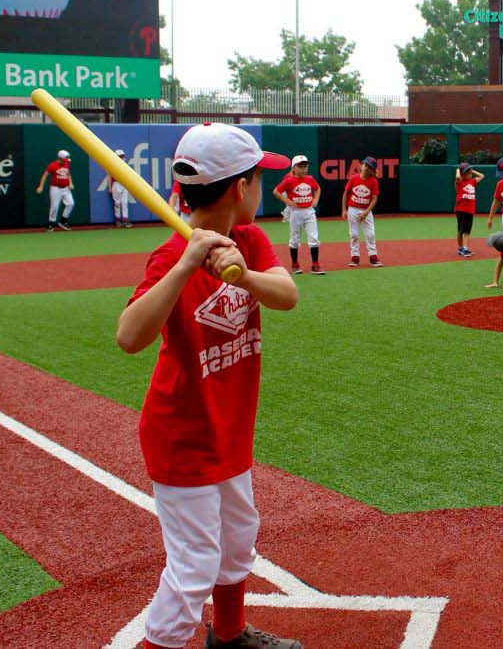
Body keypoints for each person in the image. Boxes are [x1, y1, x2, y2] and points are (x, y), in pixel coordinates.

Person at [115, 122, 301, 649]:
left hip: (230, 429)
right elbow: (129, 337)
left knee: (238, 540)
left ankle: (231, 633)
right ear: (240, 188)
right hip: (183, 437)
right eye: (258, 180)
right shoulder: (170, 256)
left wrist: (241, 275)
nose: (262, 189)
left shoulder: (248, 240)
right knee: (194, 565)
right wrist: (185, 265)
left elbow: (286, 296)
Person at [272, 155, 324, 275]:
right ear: (293, 168)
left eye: (305, 166)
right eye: (300, 166)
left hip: (309, 211)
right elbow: (276, 191)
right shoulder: (289, 180)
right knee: (295, 239)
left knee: (314, 238)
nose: (304, 169)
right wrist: (287, 201)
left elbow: (317, 188)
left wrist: (316, 199)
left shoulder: (310, 179)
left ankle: (315, 265)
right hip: (296, 213)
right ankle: (295, 264)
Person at [343, 157, 382, 267]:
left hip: (366, 210)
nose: (366, 168)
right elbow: (345, 193)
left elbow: (374, 199)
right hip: (353, 209)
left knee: (370, 234)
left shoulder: (373, 181)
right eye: (365, 165)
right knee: (354, 234)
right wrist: (344, 210)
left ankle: (373, 256)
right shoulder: (353, 178)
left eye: (369, 167)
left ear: (372, 170)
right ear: (361, 166)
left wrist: (366, 212)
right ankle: (355, 257)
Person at [35, 149, 75, 232]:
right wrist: (41, 186)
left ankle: (63, 221)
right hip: (55, 188)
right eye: (64, 160)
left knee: (71, 203)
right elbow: (45, 175)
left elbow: (68, 174)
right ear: (60, 158)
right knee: (54, 206)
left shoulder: (67, 163)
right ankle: (51, 224)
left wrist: (70, 183)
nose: (66, 161)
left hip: (66, 188)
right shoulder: (52, 165)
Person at [454, 162, 485, 257]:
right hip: (461, 210)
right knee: (460, 231)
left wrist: (472, 170)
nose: (470, 174)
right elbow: (458, 178)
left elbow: (482, 176)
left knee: (467, 231)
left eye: (470, 172)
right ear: (463, 174)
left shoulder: (472, 181)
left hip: (470, 210)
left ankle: (465, 249)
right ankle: (460, 248)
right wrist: (458, 170)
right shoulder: (460, 182)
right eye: (468, 172)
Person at [109, 149, 133, 228]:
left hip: (124, 184)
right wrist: (109, 187)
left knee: (124, 202)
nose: (122, 158)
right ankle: (118, 220)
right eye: (120, 156)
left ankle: (125, 220)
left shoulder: (125, 165)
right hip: (116, 184)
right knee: (117, 203)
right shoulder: (112, 165)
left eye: (122, 156)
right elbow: (109, 177)